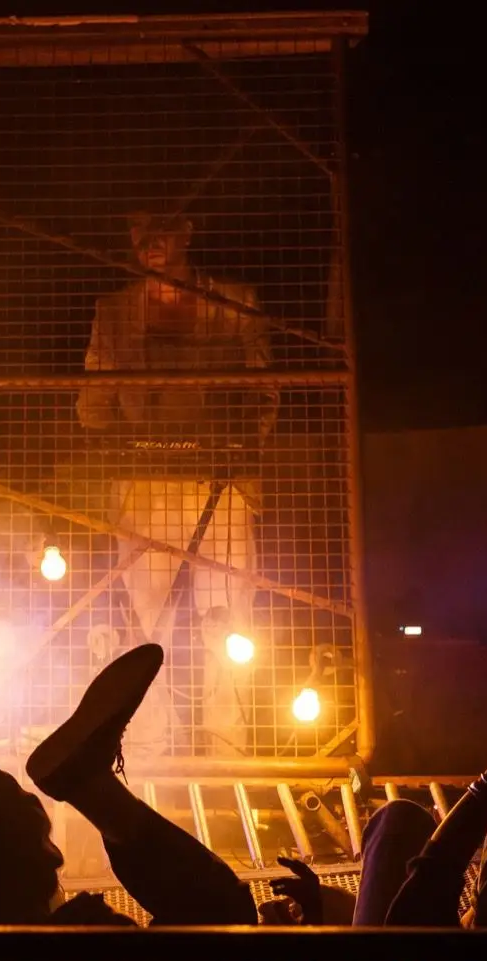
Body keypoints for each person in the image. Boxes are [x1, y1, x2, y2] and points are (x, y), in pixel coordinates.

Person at [77, 211, 274, 756]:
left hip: (222, 480)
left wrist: (237, 447)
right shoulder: (114, 311)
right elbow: (93, 401)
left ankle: (229, 746)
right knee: (146, 619)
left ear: (187, 231)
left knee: (227, 617)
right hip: (142, 484)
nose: (148, 241)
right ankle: (145, 749)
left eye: (160, 228)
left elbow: (266, 390)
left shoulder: (236, 303)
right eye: (137, 230)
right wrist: (114, 446)